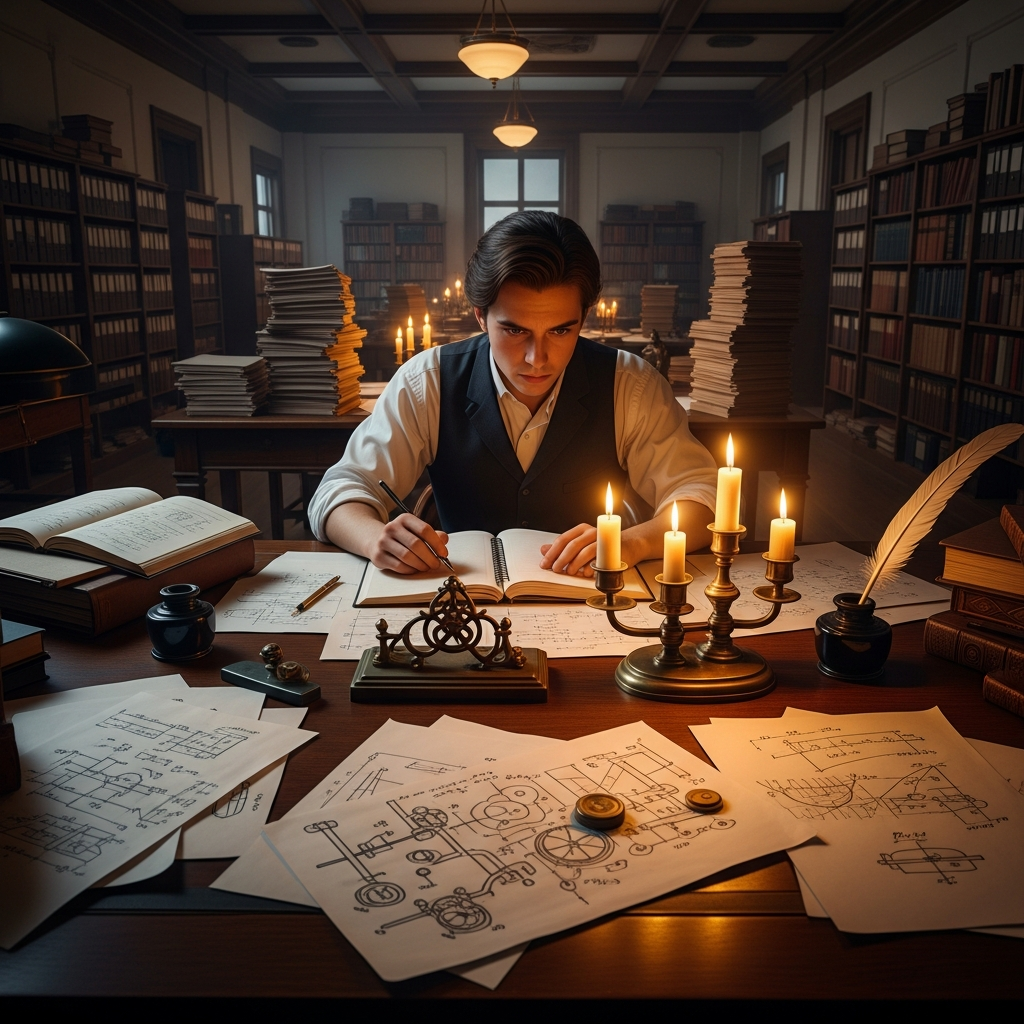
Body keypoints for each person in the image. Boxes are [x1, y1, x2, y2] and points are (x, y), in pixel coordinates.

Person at [307, 211, 718, 576]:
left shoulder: (631, 384)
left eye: (561, 330)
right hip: (458, 610)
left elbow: (702, 495)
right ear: (480, 316)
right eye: (515, 330)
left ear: (584, 317)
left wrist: (636, 541)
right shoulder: (428, 379)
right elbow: (340, 489)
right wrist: (374, 538)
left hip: (593, 604)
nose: (538, 358)